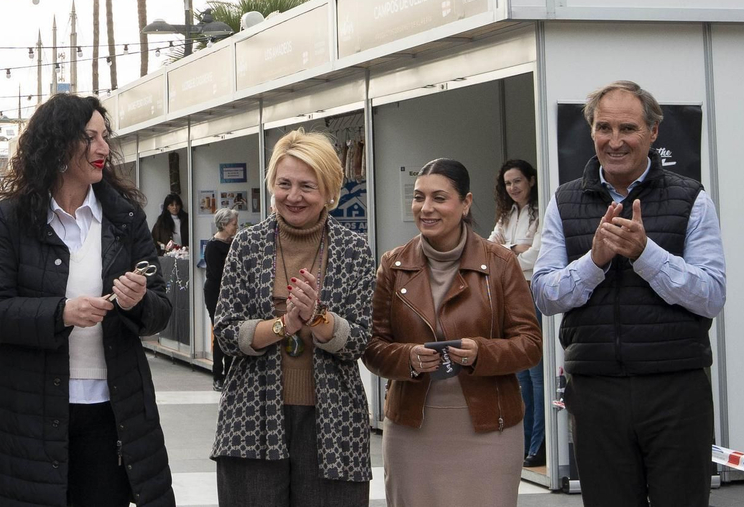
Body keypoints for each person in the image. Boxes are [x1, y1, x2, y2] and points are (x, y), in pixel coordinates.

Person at [0, 93, 173, 506]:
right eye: (90, 137)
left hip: (112, 412)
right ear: (58, 143)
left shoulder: (125, 218)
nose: (103, 148)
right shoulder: (11, 218)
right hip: (29, 412)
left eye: (105, 136)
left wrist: (137, 302)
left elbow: (160, 307)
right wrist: (61, 313)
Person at [533, 80, 726, 507]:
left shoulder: (691, 198)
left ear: (653, 132)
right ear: (591, 132)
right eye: (604, 128)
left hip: (676, 389)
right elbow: (544, 296)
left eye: (628, 129)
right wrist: (594, 262)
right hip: (596, 391)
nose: (614, 141)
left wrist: (646, 254)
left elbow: (712, 294)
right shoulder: (564, 201)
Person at [211, 129, 372, 507]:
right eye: (284, 184)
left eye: (307, 186)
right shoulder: (246, 246)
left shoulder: (354, 252)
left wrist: (317, 319)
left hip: (334, 423)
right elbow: (226, 332)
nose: (293, 196)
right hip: (250, 418)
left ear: (330, 191)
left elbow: (361, 340)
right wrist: (284, 325)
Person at [365, 159, 539, 507]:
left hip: (491, 429)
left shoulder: (501, 263)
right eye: (418, 197)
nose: (425, 208)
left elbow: (530, 345)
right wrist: (408, 357)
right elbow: (372, 346)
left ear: (466, 203)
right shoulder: (393, 266)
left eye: (439, 198)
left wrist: (481, 352)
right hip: (411, 428)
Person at [487, 157, 545, 468]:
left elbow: (536, 256)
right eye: (508, 183)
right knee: (520, 374)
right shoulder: (509, 215)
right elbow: (488, 250)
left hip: (532, 293)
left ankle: (540, 446)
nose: (513, 188)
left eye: (518, 181)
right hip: (512, 294)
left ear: (531, 181)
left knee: (536, 374)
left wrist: (509, 252)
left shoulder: (541, 212)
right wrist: (515, 249)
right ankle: (524, 445)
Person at [202, 206, 238, 390]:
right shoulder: (213, 246)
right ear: (224, 224)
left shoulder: (233, 243)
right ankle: (218, 375)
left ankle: (231, 372)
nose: (236, 227)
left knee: (231, 332)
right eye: (233, 224)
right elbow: (217, 273)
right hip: (216, 293)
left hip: (231, 293)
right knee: (219, 332)